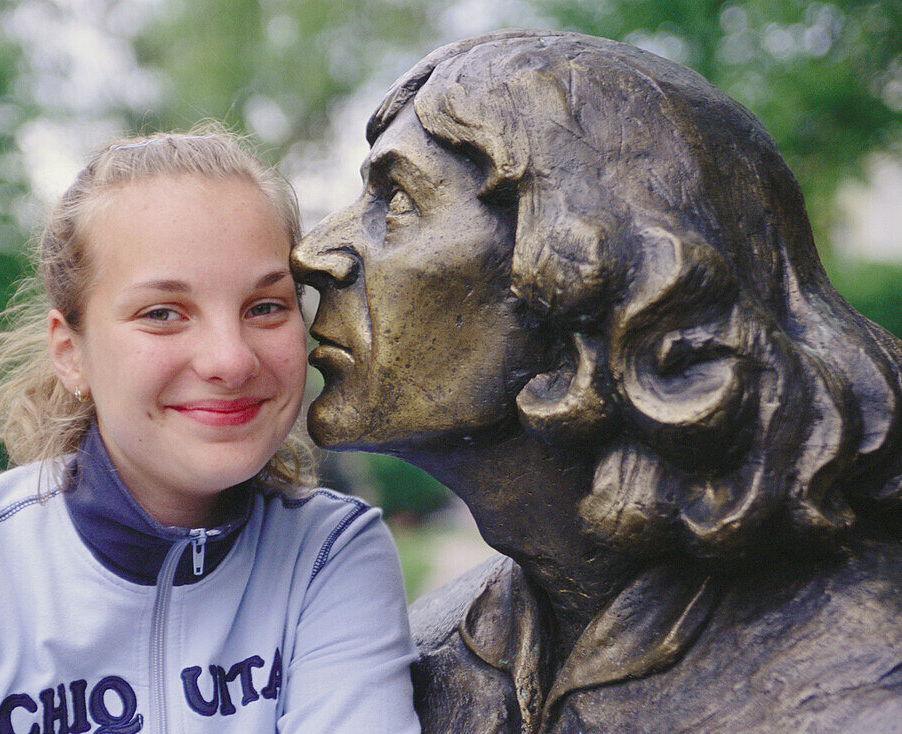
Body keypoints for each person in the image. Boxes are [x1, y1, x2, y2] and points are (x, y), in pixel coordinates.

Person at [292, 29, 902, 733]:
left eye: (395, 199)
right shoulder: (416, 663)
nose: (314, 254)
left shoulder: (861, 687)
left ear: (587, 274)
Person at [0, 129, 419, 733]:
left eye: (265, 307)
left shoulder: (330, 556)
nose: (231, 360)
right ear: (70, 352)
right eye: (162, 314)